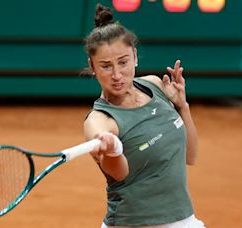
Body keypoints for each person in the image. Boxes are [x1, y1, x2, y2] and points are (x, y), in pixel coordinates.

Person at [83, 4, 205, 228]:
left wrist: (182, 106)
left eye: (123, 62)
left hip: (184, 219)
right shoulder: (99, 121)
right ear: (92, 67)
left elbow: (191, 156)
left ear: (135, 56)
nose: (117, 75)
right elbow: (119, 173)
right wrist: (112, 149)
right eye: (106, 66)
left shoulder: (155, 85)